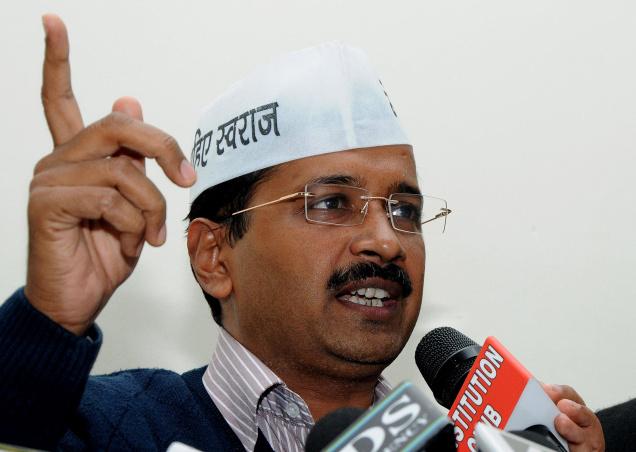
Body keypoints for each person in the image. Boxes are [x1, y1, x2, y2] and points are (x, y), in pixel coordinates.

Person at [0, 14, 604, 452]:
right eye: (333, 203)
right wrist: (47, 319)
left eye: (405, 211)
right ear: (214, 256)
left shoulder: (470, 444)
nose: (387, 241)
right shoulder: (104, 427)